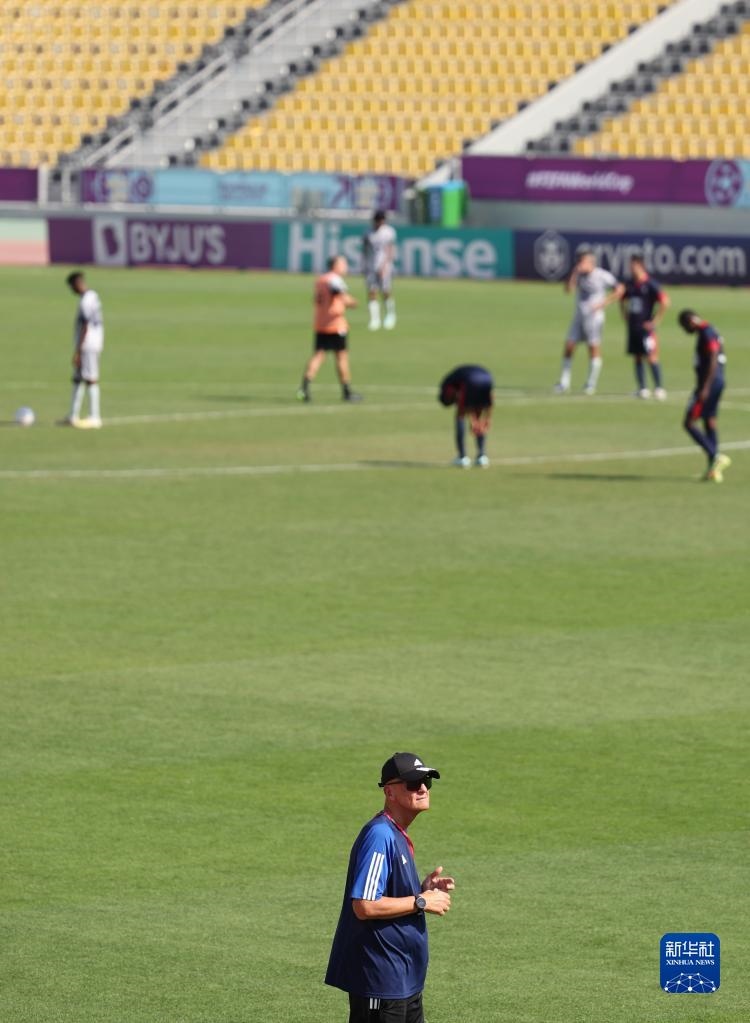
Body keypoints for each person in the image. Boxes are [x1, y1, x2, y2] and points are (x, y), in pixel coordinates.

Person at [325, 752, 454, 1023]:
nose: (422, 788)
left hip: (404, 980)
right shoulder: (380, 835)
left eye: (427, 782)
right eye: (413, 783)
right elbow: (364, 905)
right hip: (381, 983)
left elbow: (385, 893)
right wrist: (421, 901)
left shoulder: (395, 832)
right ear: (390, 792)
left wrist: (422, 888)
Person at [555, 246, 624, 395]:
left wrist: (604, 303)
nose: (580, 264)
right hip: (579, 316)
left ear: (591, 262)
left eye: (583, 261)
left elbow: (620, 289)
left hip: (594, 318)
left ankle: (590, 384)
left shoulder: (602, 275)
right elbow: (568, 290)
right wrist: (574, 273)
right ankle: (564, 382)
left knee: (593, 348)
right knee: (569, 346)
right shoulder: (578, 275)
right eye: (579, 261)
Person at [297, 255, 361, 403]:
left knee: (318, 355)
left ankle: (304, 387)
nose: (345, 267)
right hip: (336, 324)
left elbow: (316, 299)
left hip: (321, 323)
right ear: (335, 265)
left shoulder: (320, 280)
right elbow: (341, 296)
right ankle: (346, 391)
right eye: (343, 263)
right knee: (341, 357)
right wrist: (353, 302)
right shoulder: (335, 280)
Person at [678, 309, 731, 482]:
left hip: (709, 383)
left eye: (684, 326)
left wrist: (705, 387)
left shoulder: (706, 332)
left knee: (689, 422)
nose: (685, 331)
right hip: (718, 381)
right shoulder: (710, 329)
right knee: (709, 420)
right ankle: (713, 470)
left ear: (690, 321)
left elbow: (713, 355)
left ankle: (715, 455)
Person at [620, 252, 669, 399]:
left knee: (652, 356)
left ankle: (659, 387)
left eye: (633, 266)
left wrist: (655, 321)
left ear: (640, 266)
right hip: (633, 327)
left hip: (646, 328)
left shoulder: (650, 284)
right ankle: (642, 388)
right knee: (637, 357)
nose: (631, 269)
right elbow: (622, 299)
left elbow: (665, 301)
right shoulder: (630, 284)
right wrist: (624, 314)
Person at [60, 270, 104, 428]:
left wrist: (78, 350)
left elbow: (86, 325)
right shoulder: (93, 296)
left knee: (91, 378)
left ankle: (95, 416)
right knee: (77, 377)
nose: (72, 290)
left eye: (72, 286)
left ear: (77, 283)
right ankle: (73, 415)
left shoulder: (86, 301)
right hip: (91, 342)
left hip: (88, 344)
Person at [438, 364, 493, 468]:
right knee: (478, 417)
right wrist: (487, 418)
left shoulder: (447, 385)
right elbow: (489, 400)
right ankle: (482, 456)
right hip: (487, 378)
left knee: (460, 416)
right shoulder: (455, 378)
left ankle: (462, 457)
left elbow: (461, 400)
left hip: (471, 381)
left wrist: (473, 420)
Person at [363, 210, 397, 331]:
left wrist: (385, 265)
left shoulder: (388, 232)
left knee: (385, 291)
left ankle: (390, 315)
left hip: (384, 266)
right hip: (371, 266)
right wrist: (364, 265)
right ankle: (375, 319)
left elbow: (390, 250)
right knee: (372, 291)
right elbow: (365, 250)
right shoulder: (368, 232)